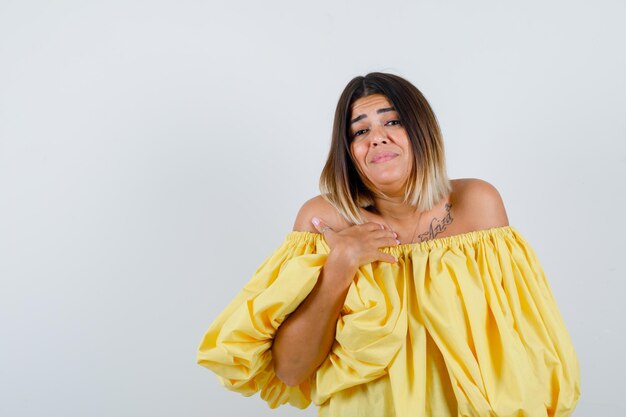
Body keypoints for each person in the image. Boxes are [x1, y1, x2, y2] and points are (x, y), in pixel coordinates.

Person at [197, 72, 581, 416]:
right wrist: (339, 266)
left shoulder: (477, 205)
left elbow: (526, 349)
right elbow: (291, 369)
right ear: (349, 152)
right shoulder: (323, 221)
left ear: (422, 132)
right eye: (359, 131)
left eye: (393, 121)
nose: (376, 136)